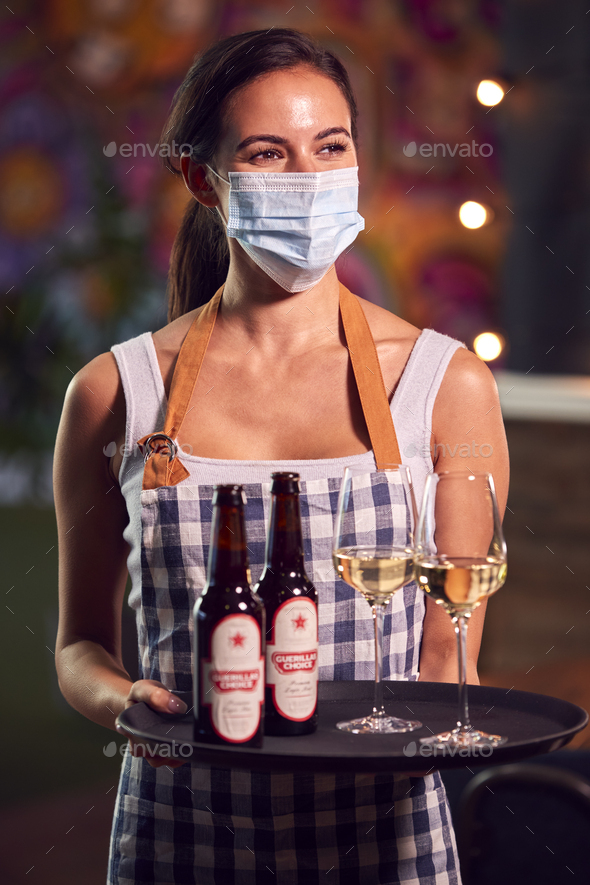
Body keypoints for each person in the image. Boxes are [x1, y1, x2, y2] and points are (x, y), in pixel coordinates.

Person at [54, 28, 509, 885]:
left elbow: (451, 656)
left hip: (383, 834)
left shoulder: (446, 385)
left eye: (330, 147)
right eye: (268, 153)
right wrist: (129, 705)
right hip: (181, 830)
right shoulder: (115, 394)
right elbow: (80, 646)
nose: (309, 178)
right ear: (203, 180)